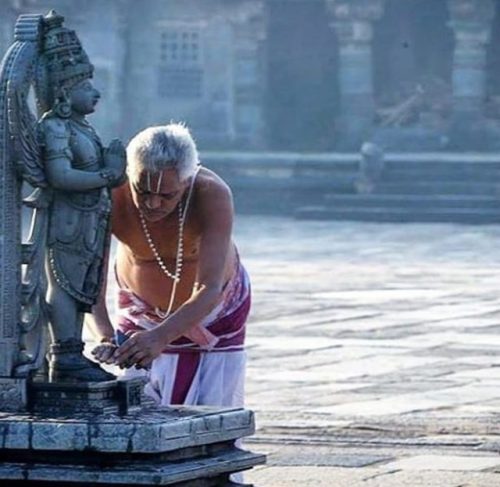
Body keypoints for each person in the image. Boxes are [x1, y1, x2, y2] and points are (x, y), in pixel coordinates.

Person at [90, 123, 251, 408]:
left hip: (215, 310)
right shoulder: (112, 194)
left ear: (187, 181)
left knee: (209, 414)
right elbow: (90, 280)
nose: (153, 203)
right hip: (140, 312)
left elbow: (210, 285)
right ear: (129, 174)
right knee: (134, 408)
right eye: (143, 191)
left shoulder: (211, 193)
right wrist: (105, 335)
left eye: (166, 195)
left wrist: (162, 336)